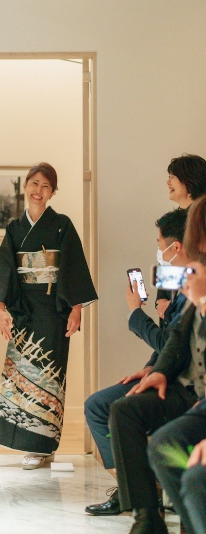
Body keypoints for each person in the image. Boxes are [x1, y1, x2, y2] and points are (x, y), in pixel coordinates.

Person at [0, 162, 97, 470]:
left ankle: (43, 446)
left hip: (53, 309)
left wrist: (76, 308)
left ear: (53, 192)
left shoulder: (62, 225)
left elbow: (73, 267)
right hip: (24, 310)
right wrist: (1, 309)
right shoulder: (14, 227)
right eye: (34, 183)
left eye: (46, 186)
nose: (39, 190)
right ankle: (28, 442)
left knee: (49, 375)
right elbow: (6, 269)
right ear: (25, 186)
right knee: (21, 375)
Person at [84, 208, 189, 515]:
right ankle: (136, 488)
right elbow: (173, 341)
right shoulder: (178, 279)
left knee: (105, 407)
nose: (159, 251)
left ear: (177, 246)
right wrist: (150, 368)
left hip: (182, 383)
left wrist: (135, 313)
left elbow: (172, 342)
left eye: (160, 244)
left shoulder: (195, 283)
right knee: (99, 404)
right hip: (164, 371)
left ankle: (138, 490)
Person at [147, 196, 206, 534]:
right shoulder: (195, 280)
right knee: (162, 444)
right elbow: (177, 338)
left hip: (194, 393)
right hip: (199, 396)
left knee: (196, 477)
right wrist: (155, 370)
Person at [157, 153, 206, 321]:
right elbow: (167, 260)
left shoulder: (201, 223)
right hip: (172, 309)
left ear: (189, 180)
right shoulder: (172, 220)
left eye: (173, 177)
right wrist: (161, 299)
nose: (168, 182)